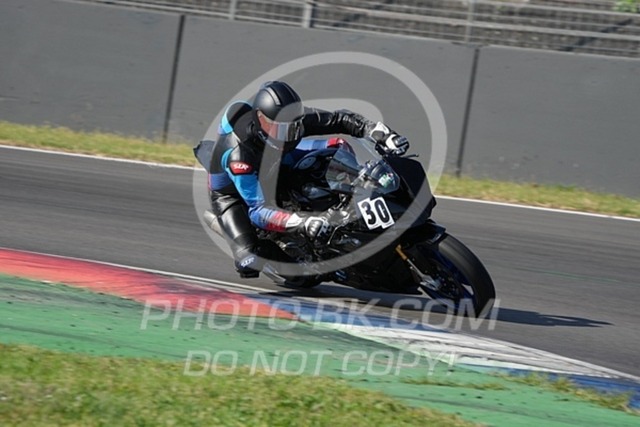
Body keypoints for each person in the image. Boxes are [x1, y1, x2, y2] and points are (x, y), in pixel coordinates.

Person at [194, 80, 409, 278]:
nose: (287, 134)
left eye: (292, 127)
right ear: (260, 119)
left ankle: (354, 205)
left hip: (277, 160)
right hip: (235, 193)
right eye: (279, 128)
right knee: (248, 260)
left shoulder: (289, 121)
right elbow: (258, 210)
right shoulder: (239, 156)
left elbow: (341, 120)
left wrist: (380, 133)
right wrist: (303, 222)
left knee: (337, 146)